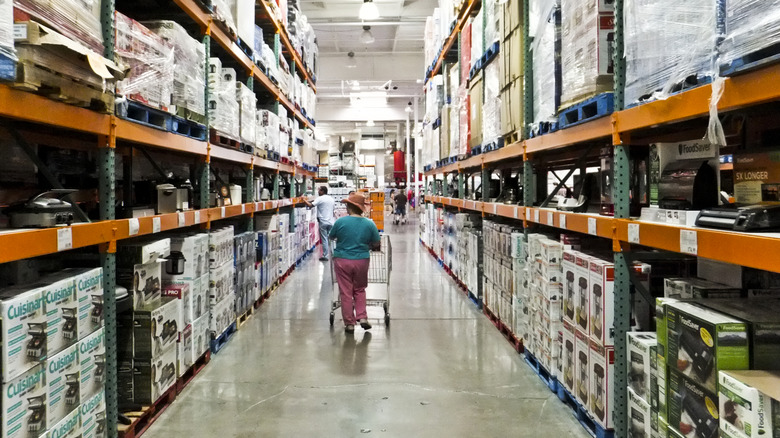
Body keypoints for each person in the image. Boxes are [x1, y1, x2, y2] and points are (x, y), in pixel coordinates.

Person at [329, 193, 381, 333]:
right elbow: (376, 242)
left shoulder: (340, 222)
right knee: (359, 289)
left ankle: (350, 323)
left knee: (346, 292)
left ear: (349, 207)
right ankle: (362, 317)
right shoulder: (369, 223)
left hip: (342, 260)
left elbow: (331, 236)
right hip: (361, 260)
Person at [304, 186, 335, 261]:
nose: (318, 192)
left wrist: (304, 200)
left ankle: (325, 255)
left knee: (324, 239)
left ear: (322, 191)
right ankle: (334, 254)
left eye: (319, 190)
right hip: (331, 221)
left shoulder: (320, 198)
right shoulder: (331, 199)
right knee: (331, 239)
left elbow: (310, 205)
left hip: (323, 222)